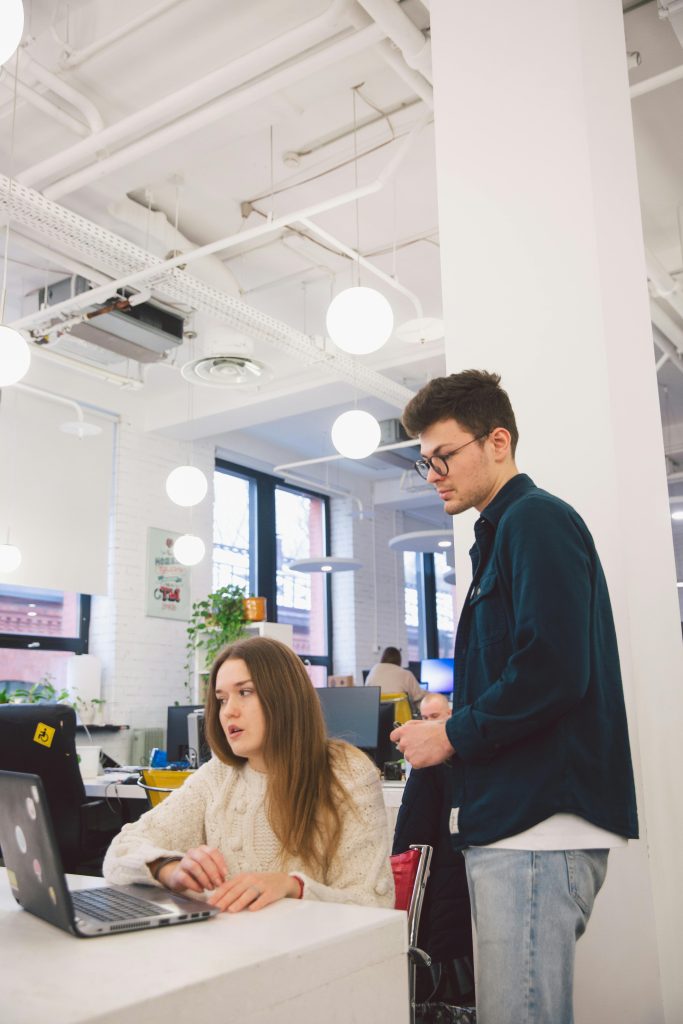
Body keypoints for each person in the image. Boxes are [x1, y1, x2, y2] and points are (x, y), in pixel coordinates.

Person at [391, 370, 638, 1024]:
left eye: (442, 456)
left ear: (496, 441)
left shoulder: (534, 520)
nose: (434, 473)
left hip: (534, 822)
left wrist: (449, 734)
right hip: (516, 819)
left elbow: (554, 670)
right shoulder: (503, 533)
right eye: (425, 463)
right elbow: (528, 665)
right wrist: (459, 708)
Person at [104, 636, 394, 911]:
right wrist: (167, 868)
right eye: (221, 699)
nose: (228, 711)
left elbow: (372, 904)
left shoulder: (346, 773)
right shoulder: (219, 775)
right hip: (232, 947)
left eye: (245, 692)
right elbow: (120, 851)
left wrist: (293, 886)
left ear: (285, 697)